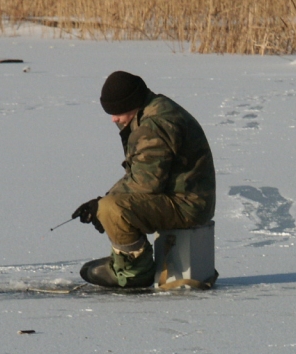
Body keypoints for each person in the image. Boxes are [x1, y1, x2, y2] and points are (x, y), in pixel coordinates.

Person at [72, 71, 216, 288]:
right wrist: (101, 201)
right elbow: (140, 173)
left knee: (113, 209)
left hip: (188, 205)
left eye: (117, 112)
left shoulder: (153, 126)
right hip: (186, 197)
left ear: (132, 103)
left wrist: (102, 205)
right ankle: (127, 259)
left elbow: (145, 184)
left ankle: (135, 271)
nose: (113, 119)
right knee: (109, 205)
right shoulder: (153, 109)